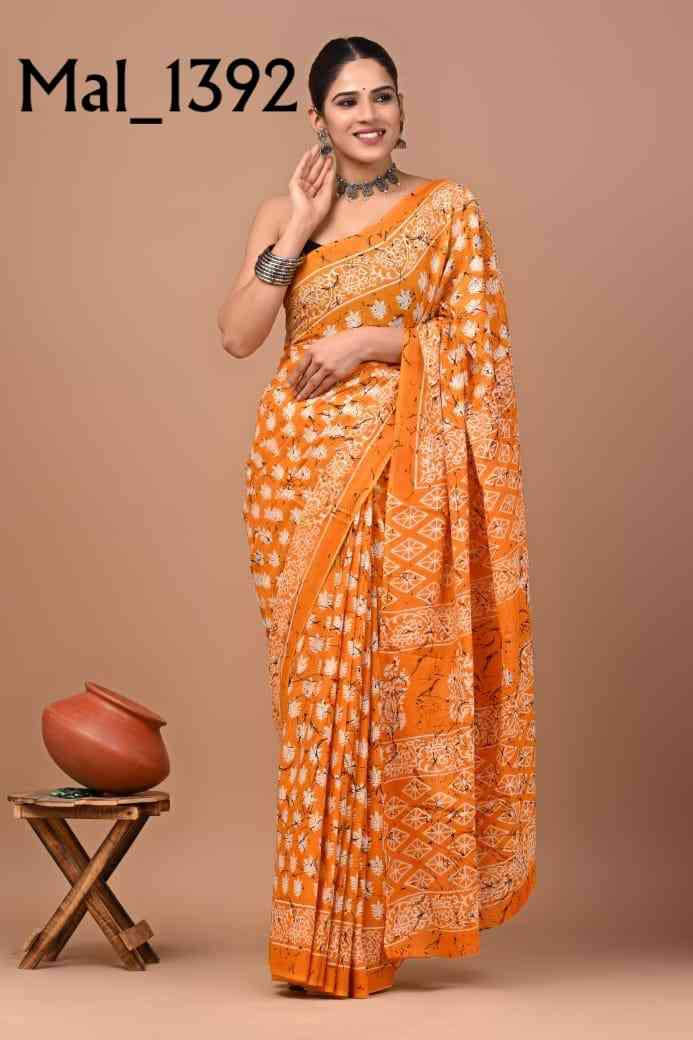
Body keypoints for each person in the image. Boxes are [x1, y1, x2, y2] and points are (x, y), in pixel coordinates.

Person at [217, 35, 537, 1000]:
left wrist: (371, 339)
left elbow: (479, 347)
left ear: (401, 110)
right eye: (348, 100)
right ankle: (317, 931)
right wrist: (298, 225)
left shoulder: (446, 210)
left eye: (382, 96)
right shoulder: (282, 213)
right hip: (294, 482)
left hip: (401, 476)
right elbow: (237, 336)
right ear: (317, 117)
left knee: (376, 694)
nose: (368, 114)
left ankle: (363, 937)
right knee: (318, 704)